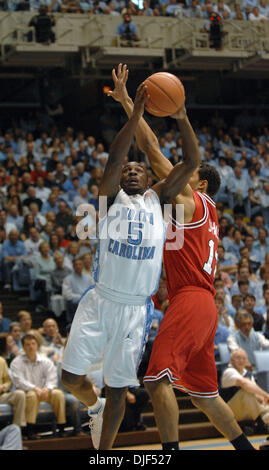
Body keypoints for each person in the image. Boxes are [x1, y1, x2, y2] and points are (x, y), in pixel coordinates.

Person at [109, 63, 257, 451]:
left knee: (156, 380)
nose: (176, 169)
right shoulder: (205, 212)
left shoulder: (191, 198)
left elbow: (153, 149)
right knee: (204, 395)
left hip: (191, 299)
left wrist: (129, 102)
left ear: (201, 183)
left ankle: (169, 454)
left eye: (185, 169)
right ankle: (246, 449)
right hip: (204, 304)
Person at [61, 80, 200, 451]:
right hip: (99, 300)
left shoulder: (161, 201)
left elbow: (191, 162)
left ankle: (102, 455)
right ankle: (94, 405)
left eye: (139, 169)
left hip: (136, 308)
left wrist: (182, 116)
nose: (132, 171)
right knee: (70, 379)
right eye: (128, 170)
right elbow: (113, 159)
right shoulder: (108, 201)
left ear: (151, 179)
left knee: (120, 387)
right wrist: (135, 112)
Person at [10, 333, 67, 440]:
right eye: (27, 344)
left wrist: (46, 389)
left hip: (45, 391)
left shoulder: (46, 361)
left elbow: (52, 378)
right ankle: (30, 430)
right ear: (23, 347)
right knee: (32, 395)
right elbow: (19, 381)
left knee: (58, 393)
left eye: (33, 344)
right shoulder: (16, 362)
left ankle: (62, 428)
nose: (31, 347)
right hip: (28, 392)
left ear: (37, 345)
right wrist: (35, 388)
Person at [221, 348, 269, 434]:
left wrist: (264, 399)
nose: (241, 361)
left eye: (244, 358)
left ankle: (256, 428)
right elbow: (244, 383)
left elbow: (257, 394)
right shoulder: (228, 371)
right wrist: (265, 394)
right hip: (231, 411)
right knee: (247, 392)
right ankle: (261, 424)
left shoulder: (248, 373)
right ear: (231, 360)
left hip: (248, 408)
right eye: (238, 358)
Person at [0, 353, 26, 430]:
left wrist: (2, 387)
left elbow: (8, 382)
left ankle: (17, 429)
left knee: (20, 394)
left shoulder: (0, 361)